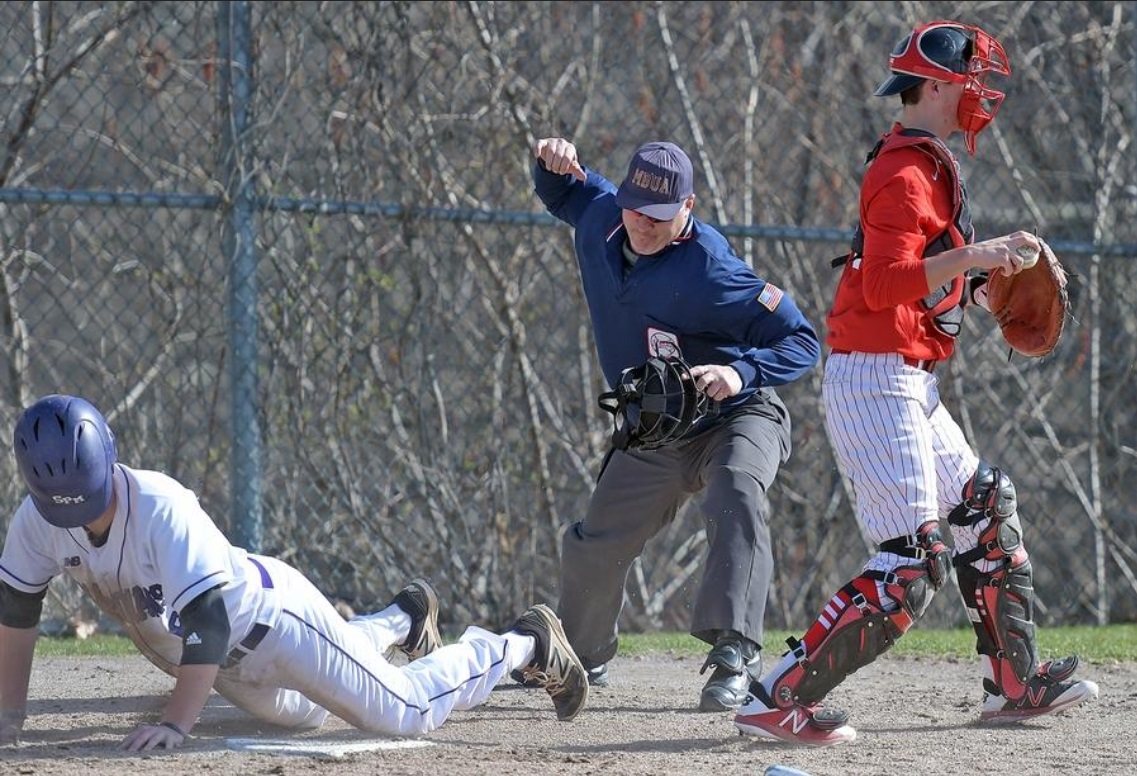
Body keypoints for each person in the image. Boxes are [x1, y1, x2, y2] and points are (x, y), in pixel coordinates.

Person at [733, 20, 1098, 746]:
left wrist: (976, 280)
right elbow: (881, 286)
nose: (977, 92)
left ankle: (1012, 685)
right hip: (873, 382)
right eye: (967, 79)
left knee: (983, 509)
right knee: (912, 561)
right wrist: (976, 255)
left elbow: (915, 290)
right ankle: (777, 696)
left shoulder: (926, 165)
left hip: (907, 379)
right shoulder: (901, 171)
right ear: (931, 85)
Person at [0, 394, 588, 752]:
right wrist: (9, 717)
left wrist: (176, 726)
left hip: (277, 625)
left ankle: (523, 642)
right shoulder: (36, 522)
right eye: (61, 501)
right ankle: (403, 620)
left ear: (110, 459)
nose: (80, 510)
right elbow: (16, 612)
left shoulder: (160, 506)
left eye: (88, 492)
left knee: (402, 712)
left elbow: (206, 620)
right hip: (228, 668)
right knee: (313, 715)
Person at [529, 136, 822, 712]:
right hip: (659, 427)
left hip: (737, 416)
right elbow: (562, 191)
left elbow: (802, 339)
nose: (644, 221)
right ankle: (581, 654)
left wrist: (741, 372)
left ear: (687, 208)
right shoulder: (601, 216)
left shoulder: (712, 268)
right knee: (597, 540)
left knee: (736, 489)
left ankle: (735, 652)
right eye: (636, 206)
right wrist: (548, 160)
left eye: (661, 215)